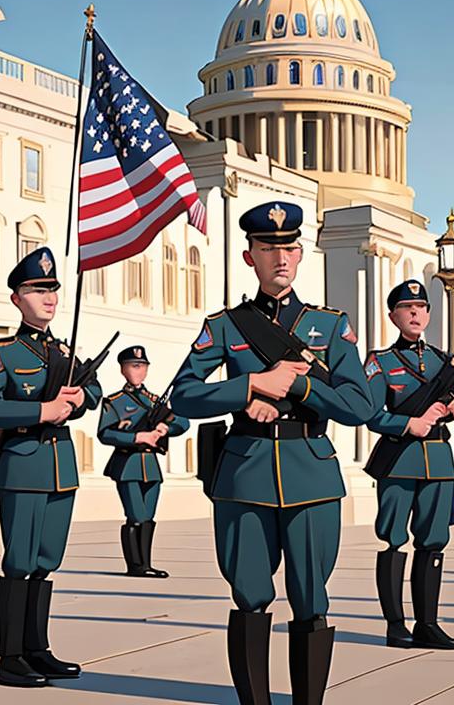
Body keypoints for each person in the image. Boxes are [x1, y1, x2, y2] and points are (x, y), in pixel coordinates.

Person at [171, 201, 371, 705]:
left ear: (301, 254)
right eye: (267, 248)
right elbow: (184, 395)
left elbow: (360, 405)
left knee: (310, 600)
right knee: (251, 597)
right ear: (249, 256)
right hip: (245, 476)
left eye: (288, 248)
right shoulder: (224, 327)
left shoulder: (330, 326)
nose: (279, 257)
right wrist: (251, 385)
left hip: (311, 477)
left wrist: (298, 390)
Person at [0, 247, 103, 688]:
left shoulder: (64, 350)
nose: (48, 297)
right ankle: (11, 657)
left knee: (47, 561)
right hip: (22, 465)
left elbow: (95, 388)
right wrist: (42, 410)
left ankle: (37, 649)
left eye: (52, 289)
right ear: (17, 298)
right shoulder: (3, 352)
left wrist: (82, 398)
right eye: (37, 289)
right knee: (20, 561)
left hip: (60, 468)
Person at [362, 280, 454, 650]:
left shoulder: (444, 361)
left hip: (437, 461)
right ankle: (395, 624)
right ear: (393, 316)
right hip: (398, 461)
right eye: (407, 307)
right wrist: (408, 424)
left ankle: (428, 623)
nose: (416, 313)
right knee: (393, 540)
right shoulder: (380, 362)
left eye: (422, 306)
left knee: (433, 542)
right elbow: (370, 414)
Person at [97, 345, 189, 578]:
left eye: (142, 367)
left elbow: (183, 422)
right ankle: (136, 565)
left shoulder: (155, 401)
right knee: (135, 515)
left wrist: (164, 427)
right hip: (127, 465)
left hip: (150, 465)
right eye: (133, 366)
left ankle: (145, 564)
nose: (138, 371)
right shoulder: (114, 401)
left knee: (148, 516)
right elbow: (105, 433)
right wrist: (138, 437)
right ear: (123, 369)